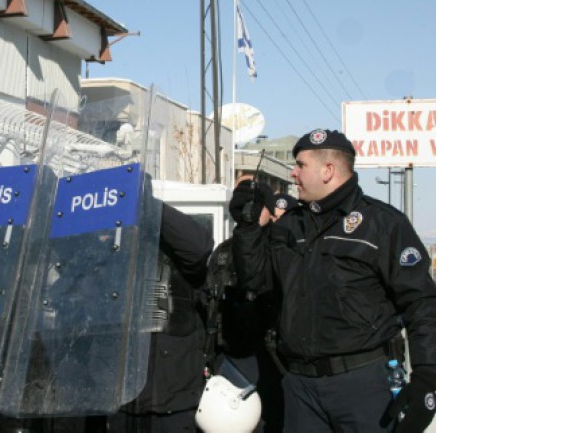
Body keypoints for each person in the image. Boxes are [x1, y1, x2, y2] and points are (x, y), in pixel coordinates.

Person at [229, 129, 436, 433]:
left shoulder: (382, 224)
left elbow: (420, 303)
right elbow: (256, 282)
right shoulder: (290, 226)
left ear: (328, 171)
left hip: (363, 385)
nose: (293, 172)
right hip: (300, 386)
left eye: (300, 165)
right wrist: (248, 227)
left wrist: (427, 375)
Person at [104, 201, 215, 433]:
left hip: (171, 398)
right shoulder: (110, 254)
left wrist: (150, 205)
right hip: (121, 400)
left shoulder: (173, 248)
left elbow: (200, 247)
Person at [200, 174, 283, 433]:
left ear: (271, 212)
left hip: (272, 361)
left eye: (257, 206)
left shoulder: (282, 248)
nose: (250, 212)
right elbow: (209, 305)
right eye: (244, 206)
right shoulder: (223, 253)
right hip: (230, 362)